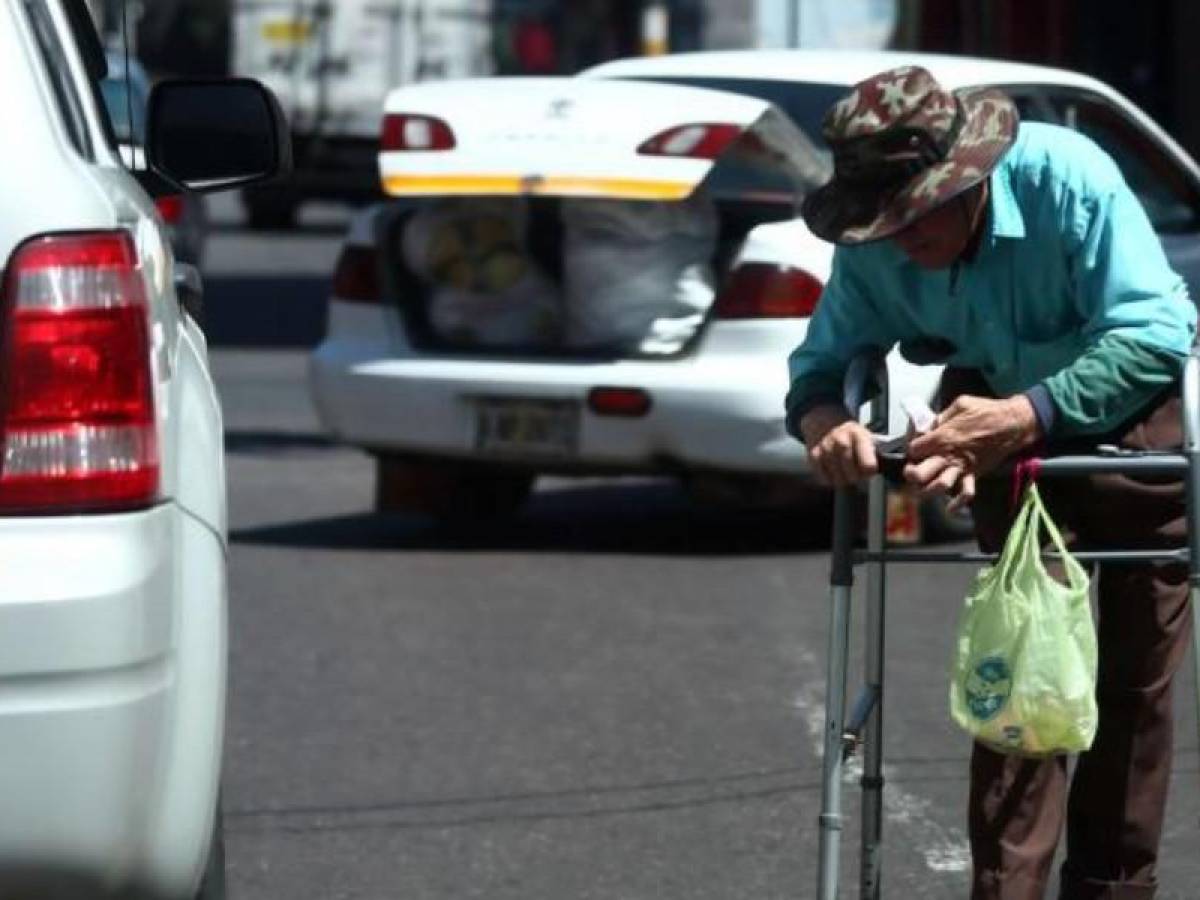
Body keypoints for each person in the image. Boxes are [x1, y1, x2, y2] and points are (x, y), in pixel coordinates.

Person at [786, 66, 1197, 899]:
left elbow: (1159, 333)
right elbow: (821, 364)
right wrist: (825, 421)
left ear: (967, 182)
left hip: (1122, 423)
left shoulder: (1066, 178)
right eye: (882, 220)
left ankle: (1114, 888)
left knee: (1132, 688)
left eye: (913, 215)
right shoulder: (874, 243)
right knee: (1020, 682)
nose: (898, 238)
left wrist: (1023, 415)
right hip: (993, 426)